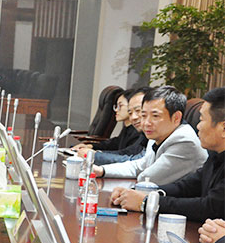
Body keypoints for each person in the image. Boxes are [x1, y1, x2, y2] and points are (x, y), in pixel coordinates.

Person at [111, 87, 224, 222]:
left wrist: (146, 202)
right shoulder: (215, 155)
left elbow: (210, 208)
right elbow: (187, 186)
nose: (198, 126)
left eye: (202, 119)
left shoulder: (185, 141)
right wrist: (140, 193)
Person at [94, 86, 207, 185]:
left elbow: (148, 178)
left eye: (155, 116)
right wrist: (102, 170)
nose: (146, 123)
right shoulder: (157, 135)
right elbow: (140, 166)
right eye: (144, 115)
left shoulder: (184, 141)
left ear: (176, 117)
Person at [77, 87, 151, 165]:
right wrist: (93, 150)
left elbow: (134, 161)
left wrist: (95, 155)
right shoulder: (141, 132)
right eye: (130, 112)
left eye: (138, 110)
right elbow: (125, 150)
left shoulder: (141, 132)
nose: (133, 117)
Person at [73, 89, 139, 152]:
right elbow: (114, 143)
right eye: (116, 106)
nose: (116, 110)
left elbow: (124, 154)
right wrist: (90, 146)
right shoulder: (127, 128)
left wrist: (96, 154)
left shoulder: (137, 132)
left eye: (120, 106)